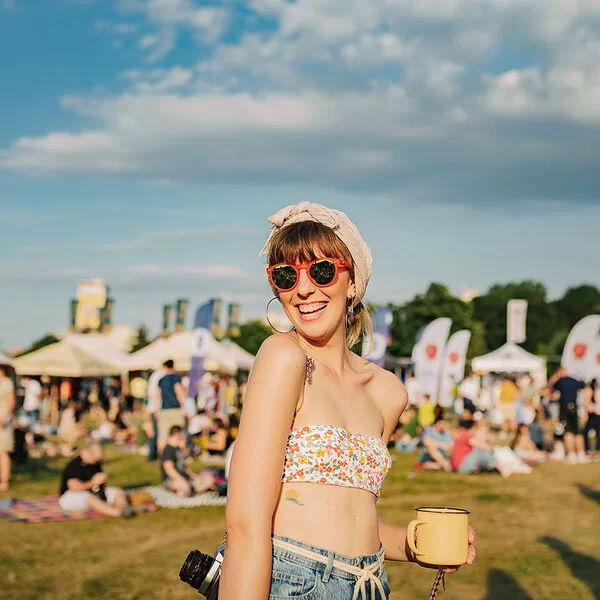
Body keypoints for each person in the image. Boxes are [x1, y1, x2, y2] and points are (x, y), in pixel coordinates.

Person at [219, 202, 476, 600]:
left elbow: (355, 521)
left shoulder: (388, 392)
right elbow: (246, 526)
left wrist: (417, 542)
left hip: (370, 585)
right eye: (286, 276)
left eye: (321, 271)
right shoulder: (283, 358)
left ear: (352, 281)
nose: (303, 289)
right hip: (296, 581)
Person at [58, 440, 133, 517]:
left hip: (91, 492)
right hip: (71, 496)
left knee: (117, 491)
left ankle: (124, 508)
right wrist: (93, 482)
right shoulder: (74, 466)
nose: (97, 461)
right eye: (95, 458)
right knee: (89, 498)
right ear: (86, 453)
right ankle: (117, 513)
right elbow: (74, 487)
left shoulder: (95, 463)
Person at [161, 425, 215, 496]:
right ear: (177, 434)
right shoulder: (168, 449)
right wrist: (181, 480)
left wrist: (194, 476)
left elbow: (184, 466)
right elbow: (169, 469)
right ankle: (188, 490)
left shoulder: (178, 448)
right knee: (184, 487)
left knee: (210, 479)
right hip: (172, 479)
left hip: (186, 478)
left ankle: (190, 490)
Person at [550, 367, 586, 464]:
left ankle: (571, 454)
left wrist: (555, 377)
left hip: (564, 408)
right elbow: (583, 385)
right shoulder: (573, 380)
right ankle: (581, 454)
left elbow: (551, 386)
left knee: (568, 432)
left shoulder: (560, 381)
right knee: (577, 431)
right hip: (574, 407)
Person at [155, 359, 185, 454]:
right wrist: (184, 406)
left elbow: (157, 396)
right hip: (175, 410)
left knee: (162, 436)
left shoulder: (161, 380)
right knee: (179, 434)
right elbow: (178, 391)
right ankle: (180, 456)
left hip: (164, 410)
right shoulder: (176, 378)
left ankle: (163, 458)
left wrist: (156, 410)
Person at [0, 365, 16, 492]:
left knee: (3, 451)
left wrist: (3, 417)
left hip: (3, 422)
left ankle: (5, 481)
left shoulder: (7, 383)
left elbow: (11, 403)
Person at [583, 379, 600, 454]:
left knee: (596, 432)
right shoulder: (592, 391)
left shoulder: (596, 391)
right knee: (588, 432)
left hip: (596, 414)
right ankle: (589, 449)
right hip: (593, 414)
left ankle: (595, 449)